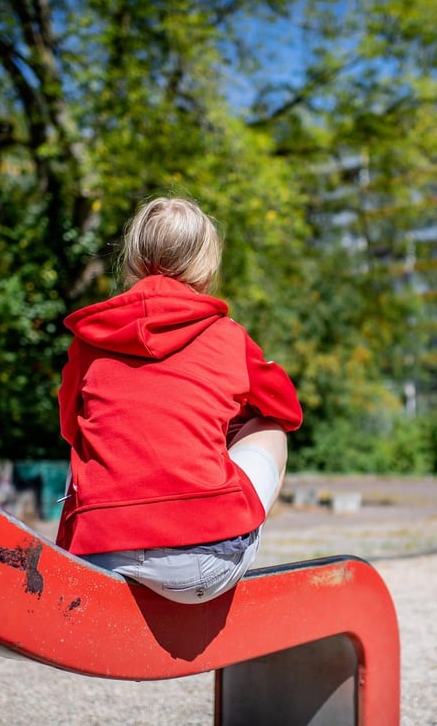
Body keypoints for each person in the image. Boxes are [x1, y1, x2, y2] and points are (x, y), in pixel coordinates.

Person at [55, 196, 303, 604]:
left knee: (86, 441)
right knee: (271, 428)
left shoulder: (90, 339)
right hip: (202, 565)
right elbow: (286, 409)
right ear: (205, 265)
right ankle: (232, 531)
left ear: (133, 259)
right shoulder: (227, 335)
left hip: (99, 557)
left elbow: (70, 428)